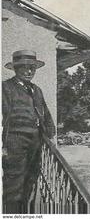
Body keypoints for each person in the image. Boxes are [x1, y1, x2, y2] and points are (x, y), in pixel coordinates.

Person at [2, 50, 56, 213]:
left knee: (31, 180)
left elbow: (45, 112)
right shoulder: (5, 88)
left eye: (32, 68)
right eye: (24, 68)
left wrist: (50, 134)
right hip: (15, 143)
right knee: (14, 185)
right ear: (15, 69)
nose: (29, 71)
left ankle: (25, 213)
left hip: (36, 142)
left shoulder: (36, 90)